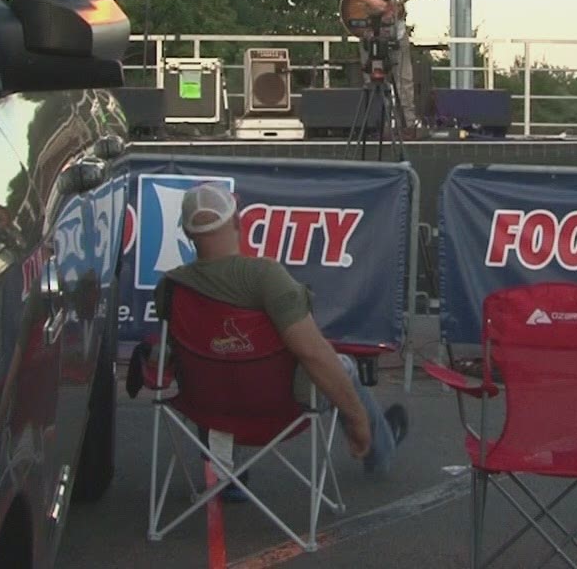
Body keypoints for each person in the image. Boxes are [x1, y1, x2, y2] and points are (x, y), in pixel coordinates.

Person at [150, 183, 406, 490]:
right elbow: (313, 354)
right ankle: (379, 448)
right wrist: (357, 419)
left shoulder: (170, 288)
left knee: (211, 363)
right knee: (341, 364)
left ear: (188, 234)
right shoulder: (266, 277)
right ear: (237, 222)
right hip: (281, 406)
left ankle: (226, 473)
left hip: (207, 405)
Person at [336, 0, 434, 134]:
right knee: (374, 79)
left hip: (396, 29)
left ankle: (408, 125)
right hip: (372, 31)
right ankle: (378, 125)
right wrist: (372, 2)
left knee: (405, 79)